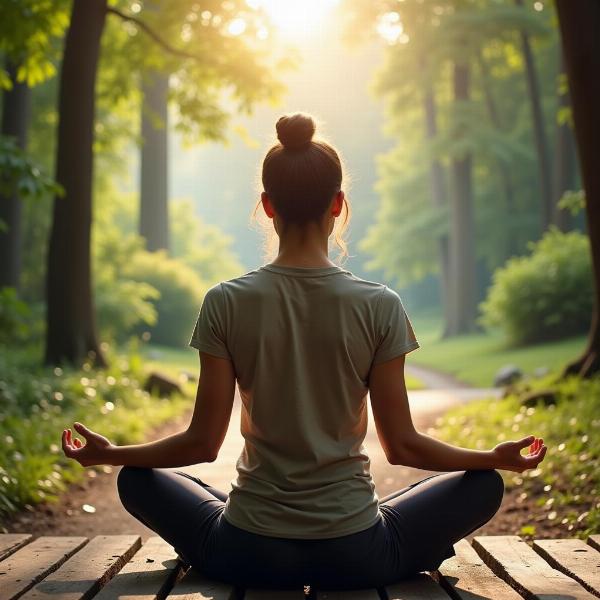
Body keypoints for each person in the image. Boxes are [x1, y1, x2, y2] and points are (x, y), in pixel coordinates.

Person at [61, 112, 547, 591]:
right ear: (338, 204)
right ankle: (393, 555)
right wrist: (491, 458)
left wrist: (114, 453)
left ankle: (213, 548)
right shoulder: (380, 305)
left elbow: (202, 444)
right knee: (483, 485)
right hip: (357, 552)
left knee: (136, 479)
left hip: (247, 550)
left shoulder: (225, 301)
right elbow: (403, 446)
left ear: (267, 206)